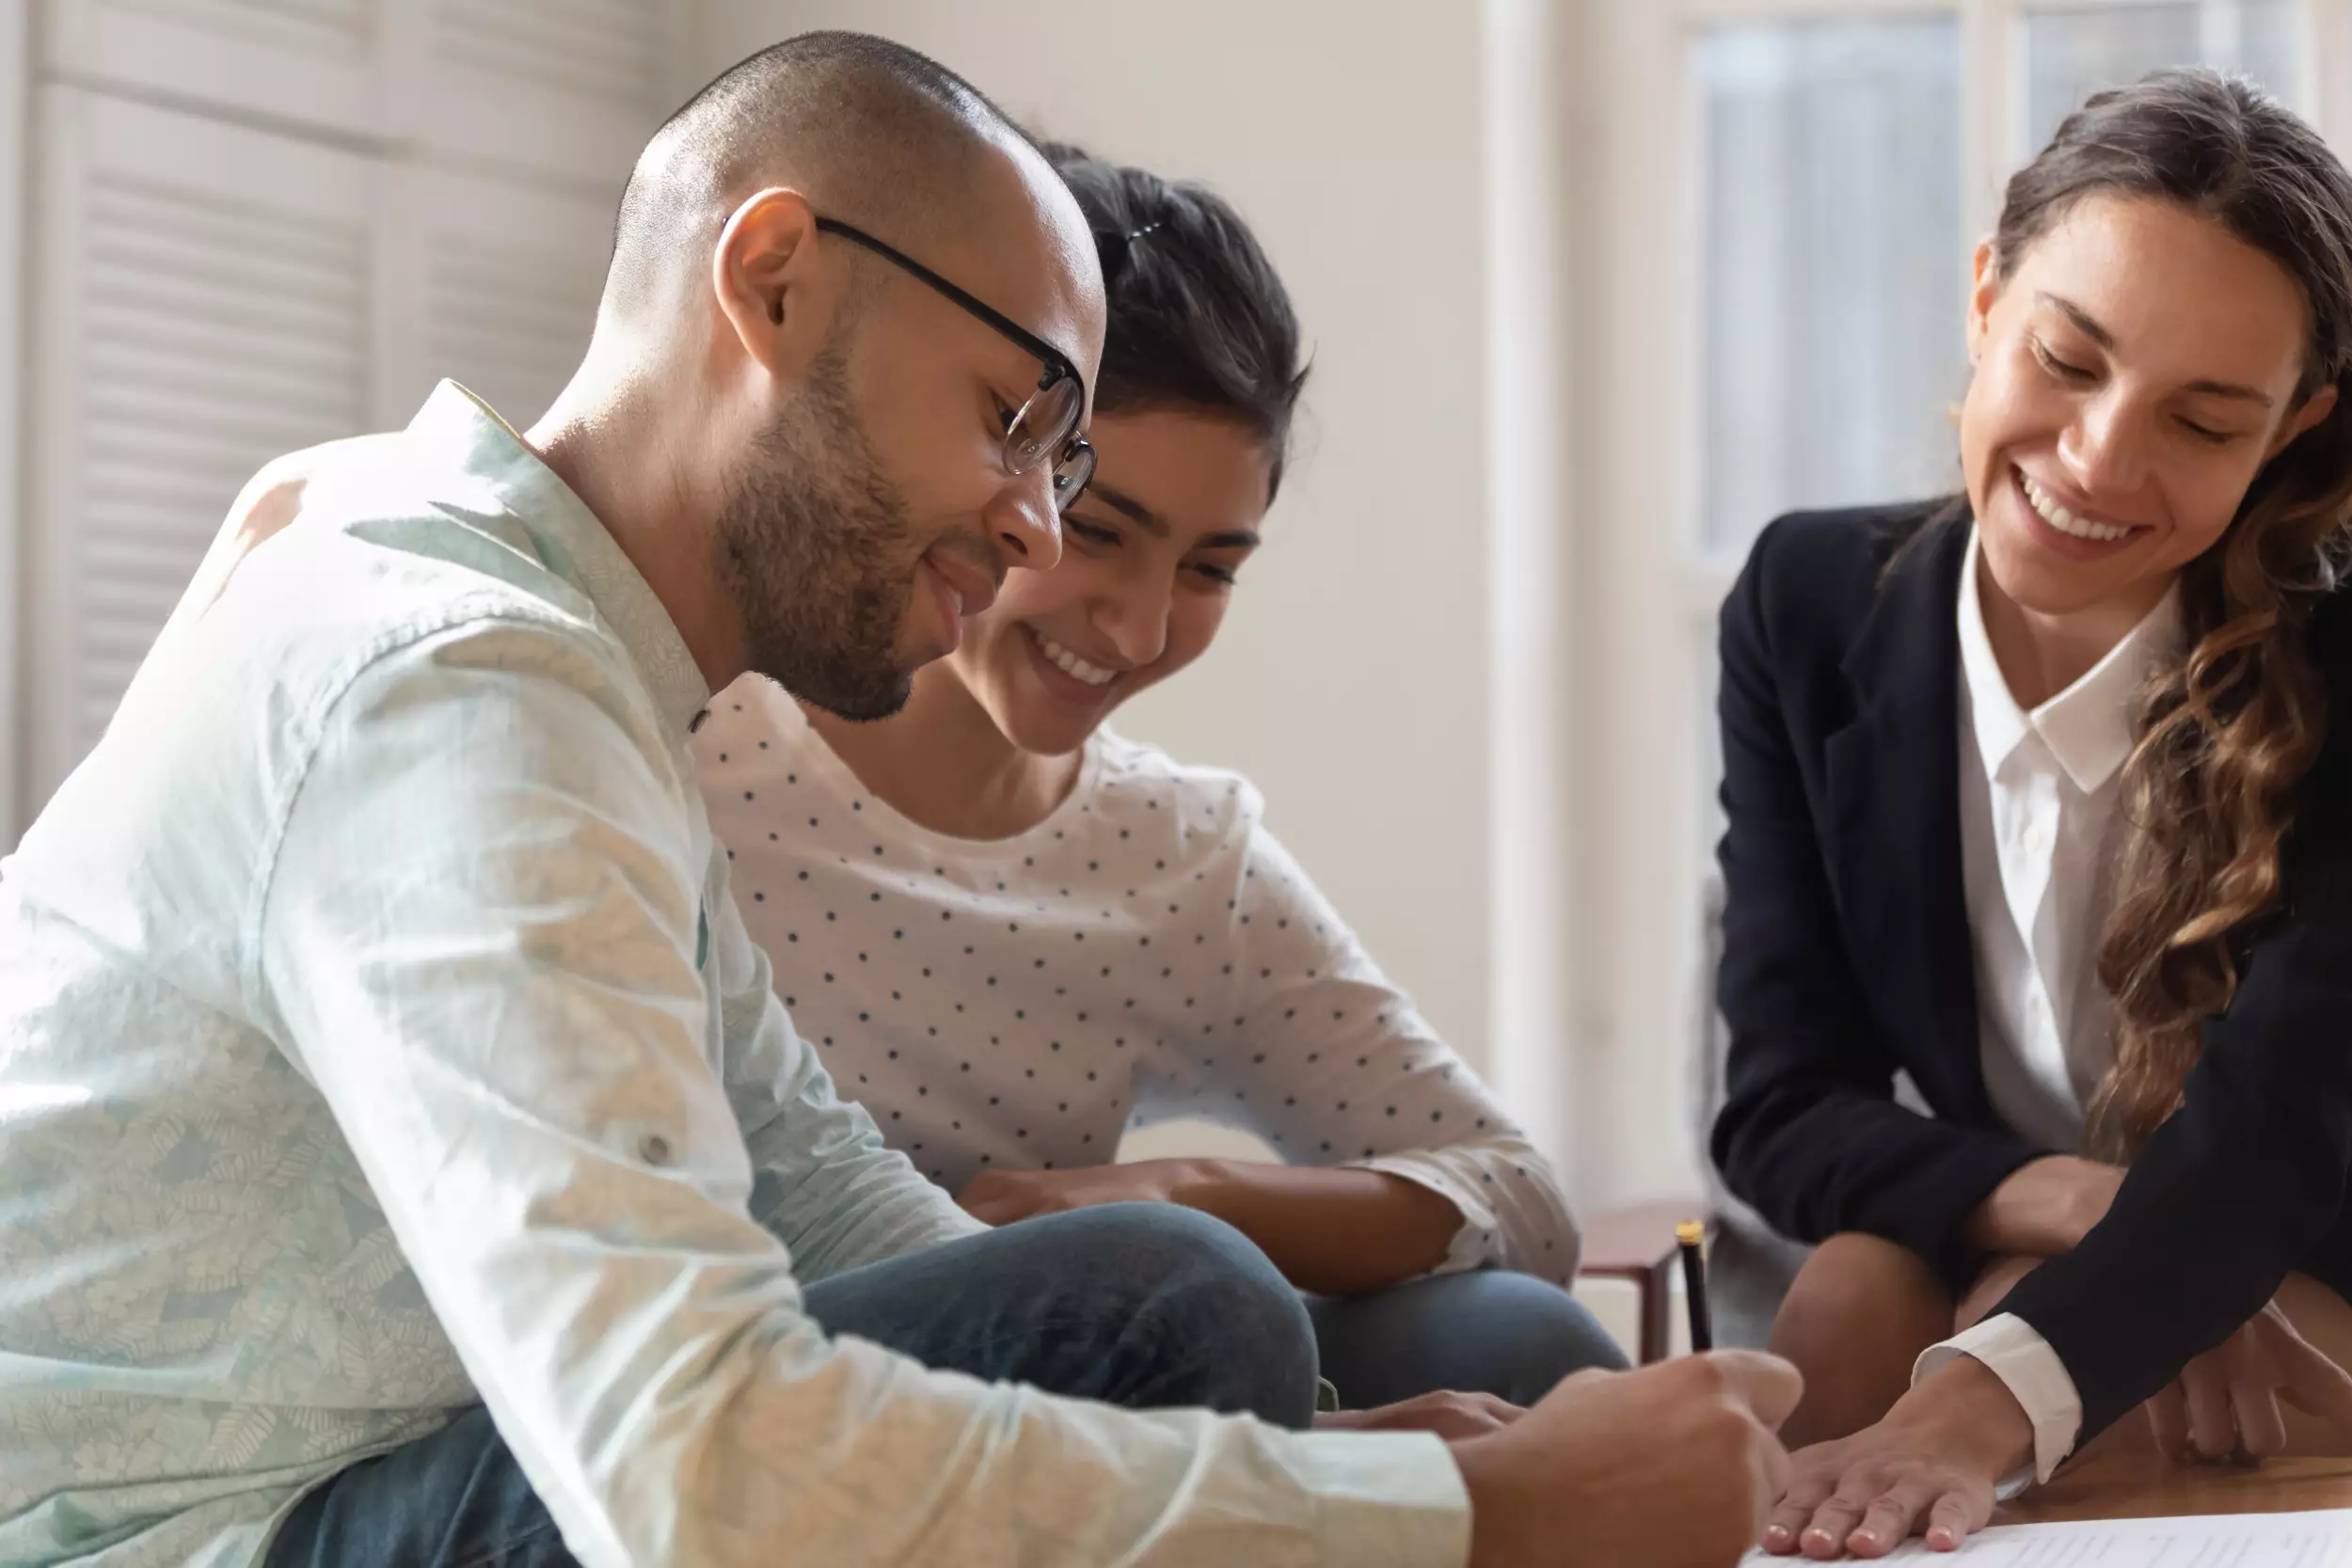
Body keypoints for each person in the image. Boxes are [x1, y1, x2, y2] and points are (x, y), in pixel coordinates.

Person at [0, 29, 1803, 1568]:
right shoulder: (465, 685)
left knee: (1187, 1299)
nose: (1034, 525)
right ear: (774, 280)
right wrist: (1454, 1516)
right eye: (1018, 421)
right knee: (1178, 1313)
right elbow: (693, 1466)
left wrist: (1344, 1448)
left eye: (1066, 460)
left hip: (363, 1468)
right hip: (190, 1531)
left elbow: (821, 1178)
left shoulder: (577, 654)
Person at [691, 141, 1622, 1415]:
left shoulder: (1171, 854)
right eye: (1104, 529)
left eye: (1210, 568)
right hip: (753, 1409)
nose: (1135, 629)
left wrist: (1168, 1194)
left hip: (1082, 1395)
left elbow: (1516, 1195)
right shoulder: (696, 752)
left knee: (1513, 1335)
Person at [1708, 68, 2352, 1558]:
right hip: (2022, 1230)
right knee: (1861, 1284)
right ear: (1989, 295)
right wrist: (2071, 1201)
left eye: (2202, 422)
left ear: (2292, 429)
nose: (2101, 460)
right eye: (2070, 358)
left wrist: (1977, 1400)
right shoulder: (1809, 604)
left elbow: (2270, 1152)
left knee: (2012, 1327)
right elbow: (1783, 1102)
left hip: (2309, 1251)